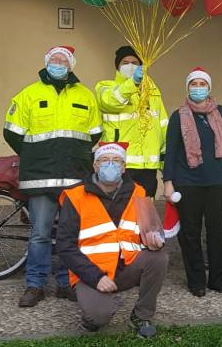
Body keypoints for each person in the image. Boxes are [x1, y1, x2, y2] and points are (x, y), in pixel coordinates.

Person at [4, 45, 103, 307]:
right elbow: (12, 132)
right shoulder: (29, 94)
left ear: (71, 65)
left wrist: (74, 155)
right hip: (40, 178)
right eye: (54, 59)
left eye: (63, 60)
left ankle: (65, 282)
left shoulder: (86, 95)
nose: (58, 63)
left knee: (68, 235)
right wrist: (37, 155)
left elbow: (94, 133)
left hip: (73, 178)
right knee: (40, 233)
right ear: (46, 62)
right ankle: (35, 285)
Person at [57, 142, 168, 338]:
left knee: (158, 257)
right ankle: (95, 309)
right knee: (98, 318)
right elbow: (65, 247)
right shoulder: (75, 196)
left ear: (124, 167)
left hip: (128, 266)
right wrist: (96, 277)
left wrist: (155, 239)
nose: (110, 165)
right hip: (92, 273)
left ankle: (142, 315)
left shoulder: (138, 192)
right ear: (95, 165)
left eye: (116, 161)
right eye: (104, 160)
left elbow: (151, 230)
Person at [162, 67, 222, 297]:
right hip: (188, 182)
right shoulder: (178, 116)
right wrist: (168, 182)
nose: (198, 88)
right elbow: (171, 152)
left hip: (217, 181)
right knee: (190, 234)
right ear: (188, 87)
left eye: (203, 84)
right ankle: (196, 282)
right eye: (194, 84)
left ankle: (218, 279)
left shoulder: (220, 112)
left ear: (209, 87)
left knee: (217, 231)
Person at [95, 46, 168, 198]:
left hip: (148, 166)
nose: (130, 65)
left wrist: (164, 162)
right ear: (118, 66)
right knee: (119, 211)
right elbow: (112, 102)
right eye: (125, 62)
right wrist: (133, 82)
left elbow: (162, 125)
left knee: (144, 214)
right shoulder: (106, 87)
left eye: (134, 62)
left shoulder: (152, 92)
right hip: (118, 164)